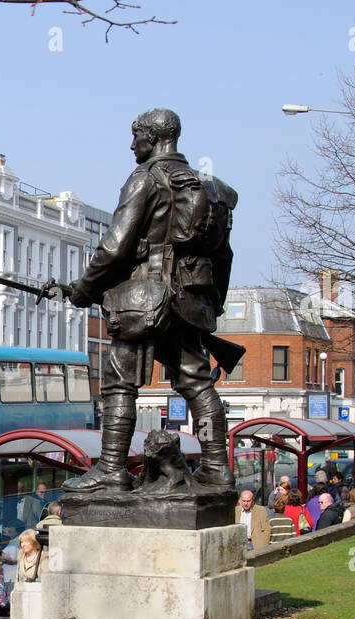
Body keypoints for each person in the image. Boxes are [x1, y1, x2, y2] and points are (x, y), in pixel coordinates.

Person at [60, 108, 238, 493]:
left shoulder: (145, 179)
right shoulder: (209, 188)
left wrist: (84, 289)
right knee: (197, 383)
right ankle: (216, 467)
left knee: (118, 381)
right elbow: (224, 256)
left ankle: (110, 468)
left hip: (146, 299)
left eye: (136, 136)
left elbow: (114, 247)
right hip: (190, 303)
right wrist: (212, 306)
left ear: (155, 138)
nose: (131, 144)